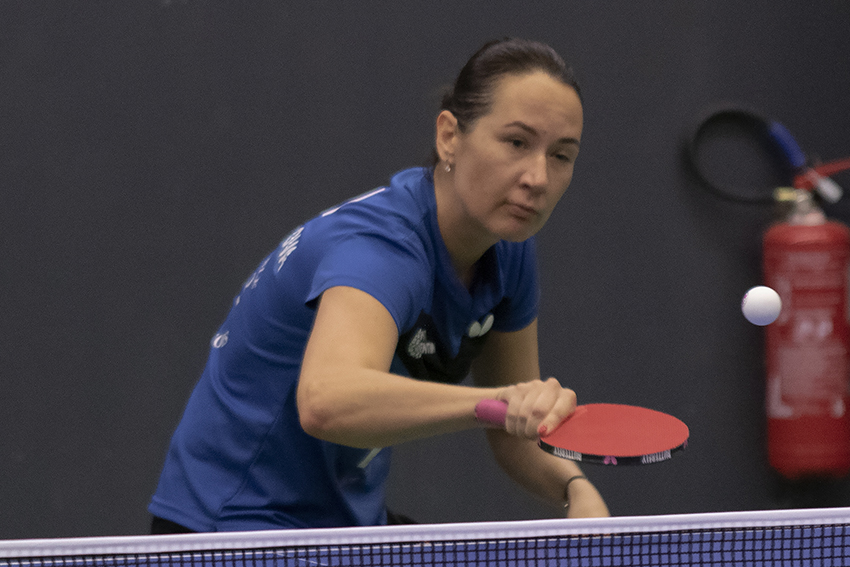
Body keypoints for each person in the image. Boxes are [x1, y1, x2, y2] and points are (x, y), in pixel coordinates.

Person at [148, 37, 609, 533]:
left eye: (561, 155)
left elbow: (515, 430)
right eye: (516, 143)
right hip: (232, 525)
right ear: (449, 137)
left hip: (345, 525)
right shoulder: (381, 250)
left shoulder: (508, 252)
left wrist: (574, 488)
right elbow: (326, 402)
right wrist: (497, 403)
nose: (538, 177)